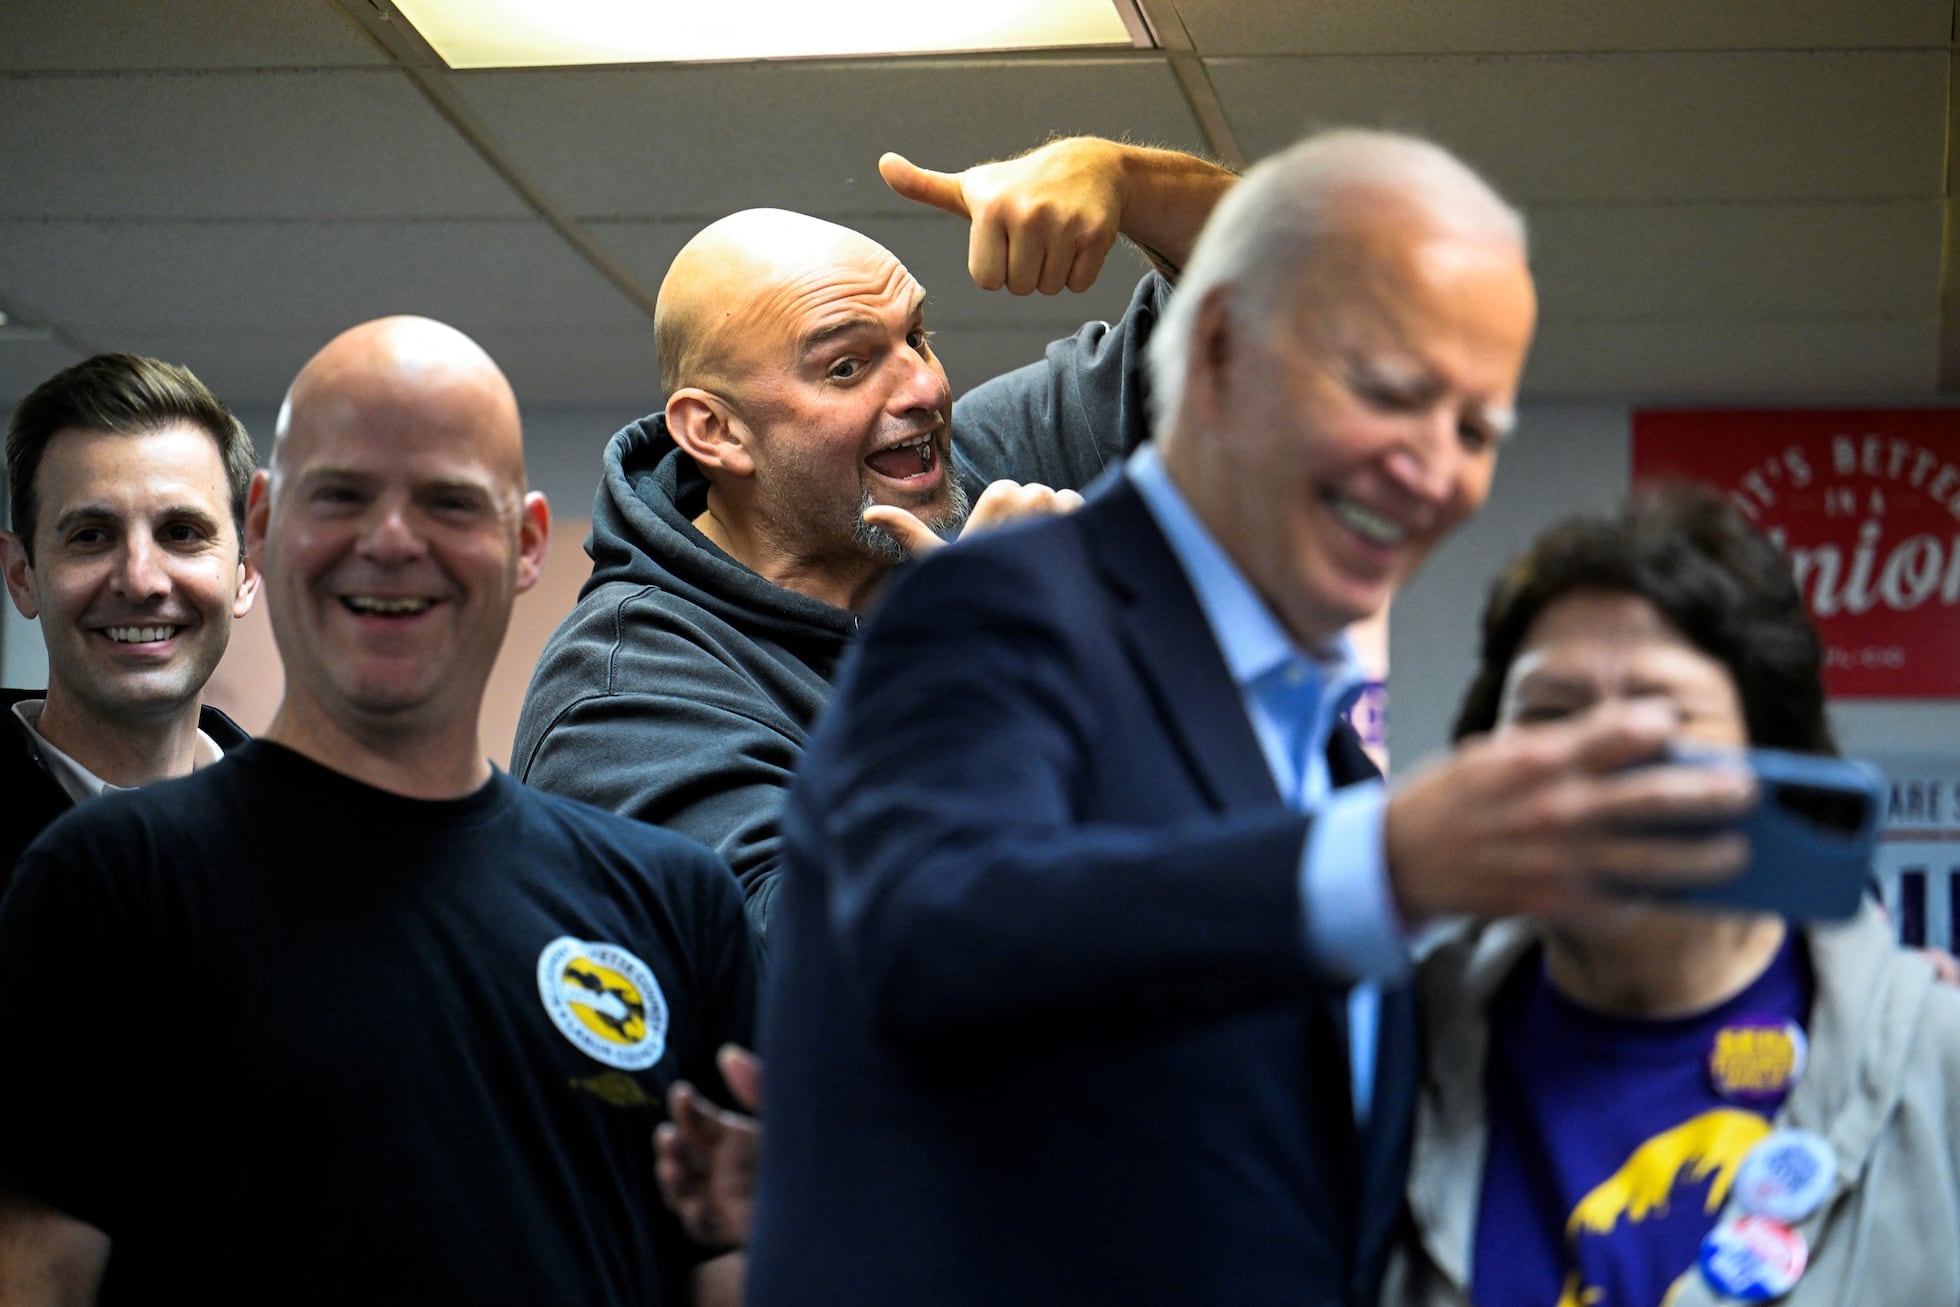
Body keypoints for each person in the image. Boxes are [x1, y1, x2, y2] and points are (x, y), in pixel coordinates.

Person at [745, 129, 1756, 1306]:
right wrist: (1386, 860)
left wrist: (1802, 1002)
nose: (1424, 469)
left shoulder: (1303, 735)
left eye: (1464, 430)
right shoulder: (994, 619)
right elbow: (920, 944)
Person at [0, 317, 757, 1305]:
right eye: (342, 496)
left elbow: (735, 1261)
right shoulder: (104, 883)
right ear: (265, 527)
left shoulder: (674, 901)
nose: (392, 541)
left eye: (448, 501)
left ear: (527, 542)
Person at [511, 135, 1237, 934]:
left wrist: (1133, 182)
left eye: (916, 336)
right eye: (847, 367)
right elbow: (792, 977)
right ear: (716, 431)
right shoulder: (627, 691)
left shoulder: (971, 472)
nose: (926, 385)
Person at [1385, 483, 1960, 1306]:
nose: (1598, 766)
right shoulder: (1394, 1052)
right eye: (1550, 712)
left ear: (1769, 765)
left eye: (1662, 727)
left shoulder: (1935, 1068)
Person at [0, 353, 259, 881]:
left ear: (245, 575)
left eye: (182, 532)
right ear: (21, 576)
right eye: (91, 536)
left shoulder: (319, 849)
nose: (140, 581)